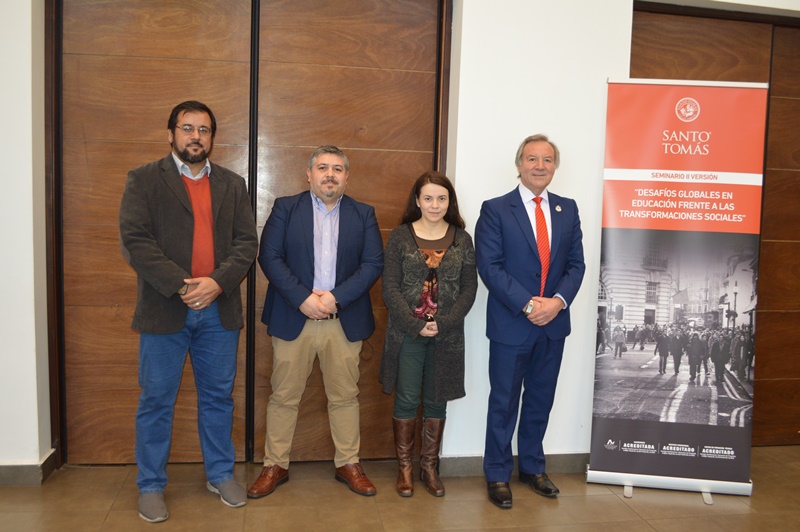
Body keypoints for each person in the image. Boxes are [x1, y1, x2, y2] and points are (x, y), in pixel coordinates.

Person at [119, 100, 259, 523]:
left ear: (212, 138)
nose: (196, 136)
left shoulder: (233, 185)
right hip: (165, 309)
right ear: (171, 134)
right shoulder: (144, 180)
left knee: (218, 398)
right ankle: (150, 485)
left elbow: (246, 244)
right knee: (156, 400)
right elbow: (135, 241)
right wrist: (183, 285)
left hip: (219, 310)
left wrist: (216, 282)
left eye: (204, 130)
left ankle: (220, 473)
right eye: (187, 128)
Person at [248, 145, 384, 499]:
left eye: (337, 169)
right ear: (308, 174)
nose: (329, 174)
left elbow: (372, 264)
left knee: (345, 396)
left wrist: (334, 298)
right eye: (322, 167)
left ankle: (348, 463)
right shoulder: (285, 208)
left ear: (346, 177)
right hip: (295, 316)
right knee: (284, 396)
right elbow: (270, 256)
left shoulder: (364, 213)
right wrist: (304, 299)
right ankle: (274, 464)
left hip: (344, 319)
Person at [474, 134, 585, 509]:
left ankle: (533, 467)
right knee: (503, 402)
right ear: (519, 164)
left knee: (540, 399)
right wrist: (527, 305)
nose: (540, 166)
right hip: (512, 323)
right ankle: (498, 473)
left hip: (553, 324)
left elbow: (576, 265)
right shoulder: (495, 209)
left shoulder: (567, 209)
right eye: (533, 159)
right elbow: (490, 267)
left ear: (555, 166)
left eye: (548, 160)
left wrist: (556, 303)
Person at [380, 171, 478, 497]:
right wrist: (415, 324)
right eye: (428, 198)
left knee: (437, 401)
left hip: (447, 336)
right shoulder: (399, 236)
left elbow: (469, 289)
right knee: (407, 399)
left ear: (449, 202)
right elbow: (390, 288)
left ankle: (429, 468)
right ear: (417, 201)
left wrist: (444, 322)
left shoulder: (463, 239)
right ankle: (405, 469)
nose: (435, 205)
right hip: (408, 333)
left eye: (441, 198)